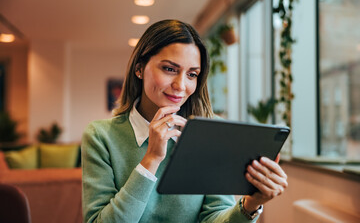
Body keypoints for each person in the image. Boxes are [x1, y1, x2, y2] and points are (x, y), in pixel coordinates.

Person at [82, 19, 288, 223]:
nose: (181, 85)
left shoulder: (210, 134)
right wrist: (151, 159)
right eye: (169, 69)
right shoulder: (101, 136)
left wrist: (249, 205)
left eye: (192, 74)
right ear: (139, 68)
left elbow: (215, 216)